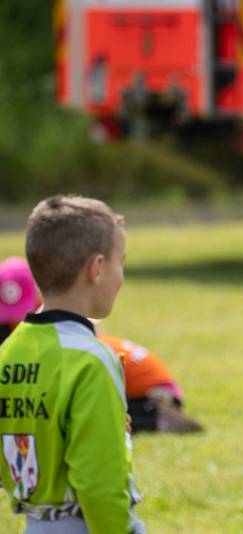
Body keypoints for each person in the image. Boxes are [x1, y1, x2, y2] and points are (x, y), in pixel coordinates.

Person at [0, 196, 145, 533]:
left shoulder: (7, 354)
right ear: (96, 269)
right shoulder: (92, 360)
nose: (121, 277)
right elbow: (99, 485)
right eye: (120, 263)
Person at [0, 256, 202, 435]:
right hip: (127, 385)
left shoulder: (67, 339)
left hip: (153, 392)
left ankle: (156, 417)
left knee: (90, 413)